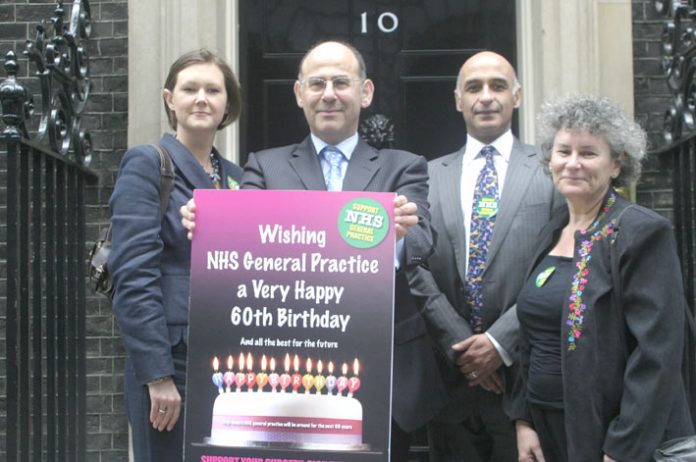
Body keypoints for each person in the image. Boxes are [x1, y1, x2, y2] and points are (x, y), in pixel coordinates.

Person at [181, 40, 448, 460]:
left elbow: (422, 241)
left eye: (341, 82)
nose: (328, 93)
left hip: (384, 373)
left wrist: (396, 236)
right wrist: (209, 225)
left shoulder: (404, 166)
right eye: (317, 83)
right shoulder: (265, 166)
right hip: (289, 372)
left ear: (366, 92)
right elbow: (240, 246)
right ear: (299, 93)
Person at [511, 94, 695, 461]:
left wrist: (623, 447)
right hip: (547, 432)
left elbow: (657, 354)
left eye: (589, 153)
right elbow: (528, 337)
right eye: (564, 151)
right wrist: (524, 420)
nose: (573, 164)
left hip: (612, 436)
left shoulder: (641, 232)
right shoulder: (552, 232)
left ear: (616, 164)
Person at [406, 51, 562, 461]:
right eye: (474, 87)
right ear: (458, 100)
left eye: (498, 86)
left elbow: (558, 265)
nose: (486, 97)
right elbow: (413, 264)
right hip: (450, 381)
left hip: (525, 381)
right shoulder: (426, 173)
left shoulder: (551, 172)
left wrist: (499, 342)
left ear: (518, 96)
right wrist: (461, 343)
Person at [108, 49, 244, 461]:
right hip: (173, 363)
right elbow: (132, 274)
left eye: (213, 89)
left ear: (227, 104)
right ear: (170, 99)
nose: (201, 98)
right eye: (190, 89)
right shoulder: (147, 164)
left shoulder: (238, 177)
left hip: (230, 359)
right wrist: (157, 374)